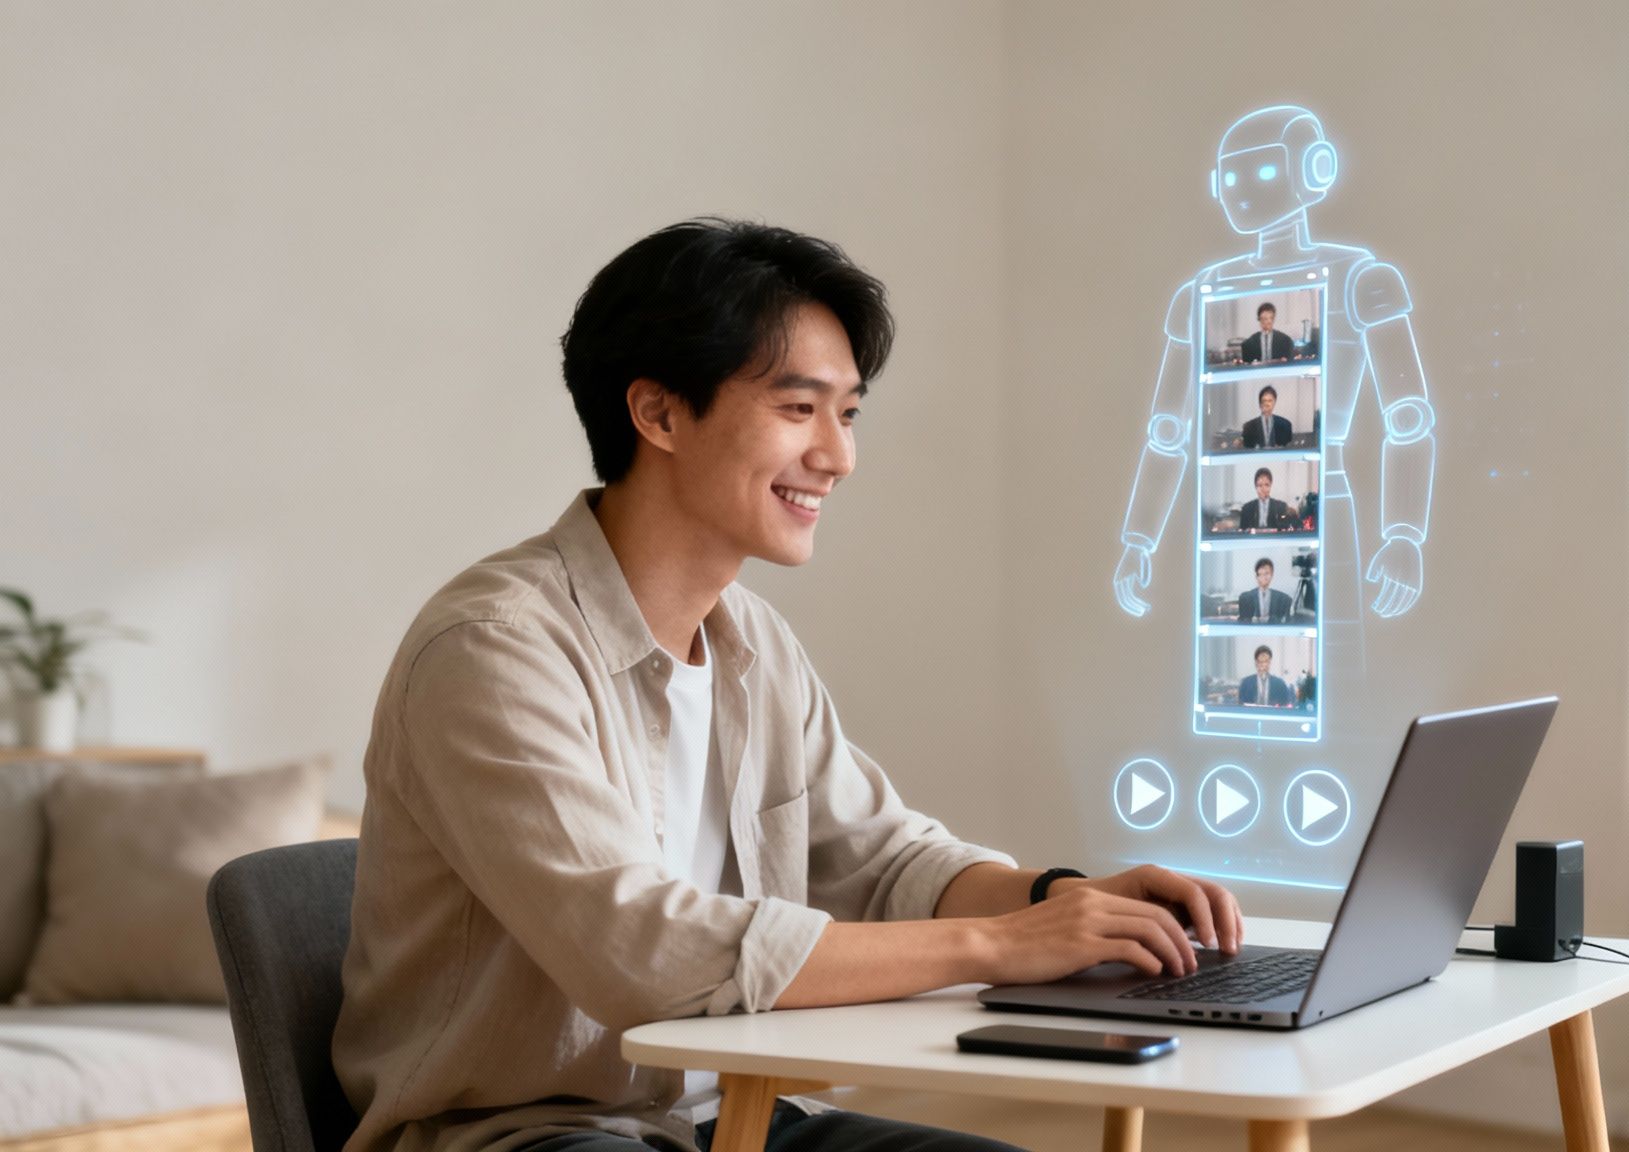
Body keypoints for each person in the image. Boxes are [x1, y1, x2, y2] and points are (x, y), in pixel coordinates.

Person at [333, 219, 1244, 1152]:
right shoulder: (492, 649)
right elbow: (637, 950)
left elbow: (884, 861)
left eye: (847, 414)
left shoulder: (750, 643)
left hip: (737, 1117)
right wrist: (1004, 948)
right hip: (524, 1134)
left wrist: (1059, 901)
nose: (838, 457)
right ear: (658, 414)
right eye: (798, 409)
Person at [1237, 467, 1301, 532]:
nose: (1263, 489)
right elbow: (1242, 532)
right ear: (1255, 486)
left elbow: (1288, 529)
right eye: (1260, 485)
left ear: (1270, 485)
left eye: (1266, 485)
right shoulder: (1247, 508)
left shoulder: (1281, 507)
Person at [1236, 557, 1294, 624]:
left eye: (1266, 574)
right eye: (1260, 574)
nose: (1264, 577)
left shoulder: (1284, 599)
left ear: (1272, 575)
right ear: (1257, 576)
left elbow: (1286, 622)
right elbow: (1243, 621)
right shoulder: (1245, 598)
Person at [1241, 384, 1293, 449]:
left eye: (1270, 401)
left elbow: (1289, 450)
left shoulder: (1285, 425)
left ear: (1275, 402)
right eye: (1264, 401)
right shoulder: (1248, 427)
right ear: (1260, 403)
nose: (1267, 404)